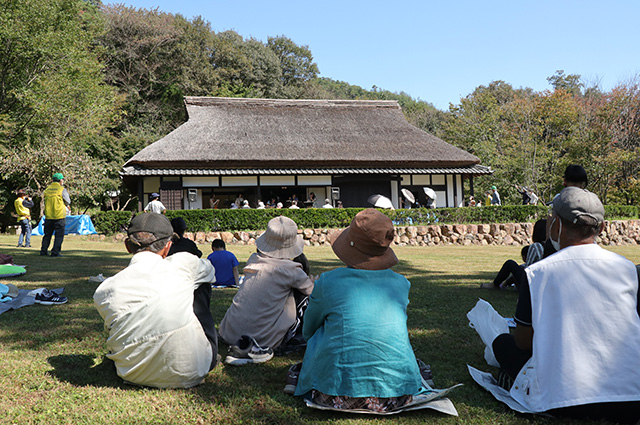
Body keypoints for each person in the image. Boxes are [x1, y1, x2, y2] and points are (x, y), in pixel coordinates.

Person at [491, 187, 640, 424]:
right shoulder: (627, 269)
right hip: (631, 401)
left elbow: (523, 342)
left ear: (556, 225)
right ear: (601, 228)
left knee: (502, 343)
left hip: (563, 400)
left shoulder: (538, 273)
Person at [293, 209, 423, 413]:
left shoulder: (328, 282)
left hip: (334, 392)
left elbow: (308, 330)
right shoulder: (401, 283)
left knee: (322, 333)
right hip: (398, 392)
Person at [93, 213, 219, 388]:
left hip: (132, 373)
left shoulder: (105, 290)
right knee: (200, 283)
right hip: (193, 369)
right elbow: (210, 271)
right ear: (168, 247)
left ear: (127, 246)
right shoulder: (184, 264)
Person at [218, 216, 315, 365]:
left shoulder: (254, 260)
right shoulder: (291, 270)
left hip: (230, 332)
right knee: (304, 298)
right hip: (263, 339)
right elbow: (313, 292)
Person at [481, 219, 546, 289]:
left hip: (531, 283)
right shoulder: (550, 245)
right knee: (519, 268)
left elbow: (528, 268)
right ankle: (505, 284)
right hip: (543, 282)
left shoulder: (536, 246)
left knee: (510, 264)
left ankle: (495, 284)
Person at [40, 173, 70, 257]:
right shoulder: (61, 189)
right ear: (60, 180)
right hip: (59, 216)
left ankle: (43, 251)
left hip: (49, 216)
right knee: (59, 235)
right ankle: (55, 252)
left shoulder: (47, 189)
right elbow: (68, 201)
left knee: (47, 235)